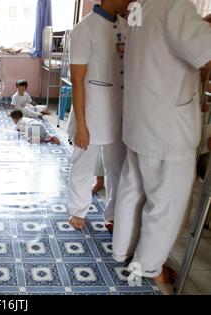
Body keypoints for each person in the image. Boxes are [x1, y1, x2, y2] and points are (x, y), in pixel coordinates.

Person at [112, 0, 211, 284]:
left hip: (139, 121)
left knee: (133, 189)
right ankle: (147, 267)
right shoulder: (176, 5)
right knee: (166, 202)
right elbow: (204, 51)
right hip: (167, 129)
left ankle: (121, 251)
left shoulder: (141, 6)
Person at [66, 0, 131, 231]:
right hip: (92, 113)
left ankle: (112, 213)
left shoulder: (126, 26)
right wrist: (81, 125)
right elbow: (76, 80)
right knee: (83, 164)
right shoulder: (85, 29)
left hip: (119, 111)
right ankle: (78, 210)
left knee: (117, 166)